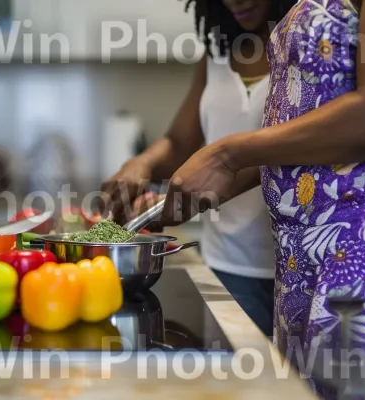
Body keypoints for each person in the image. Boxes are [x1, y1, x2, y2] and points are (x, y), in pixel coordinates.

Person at [158, 0, 365, 397]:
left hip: (356, 254)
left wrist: (227, 154)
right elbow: (305, 132)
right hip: (297, 261)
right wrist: (225, 179)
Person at [101, 0, 296, 337]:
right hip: (225, 266)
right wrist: (141, 163)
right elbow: (180, 142)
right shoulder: (218, 54)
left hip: (293, 268)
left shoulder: (308, 43)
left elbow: (297, 146)